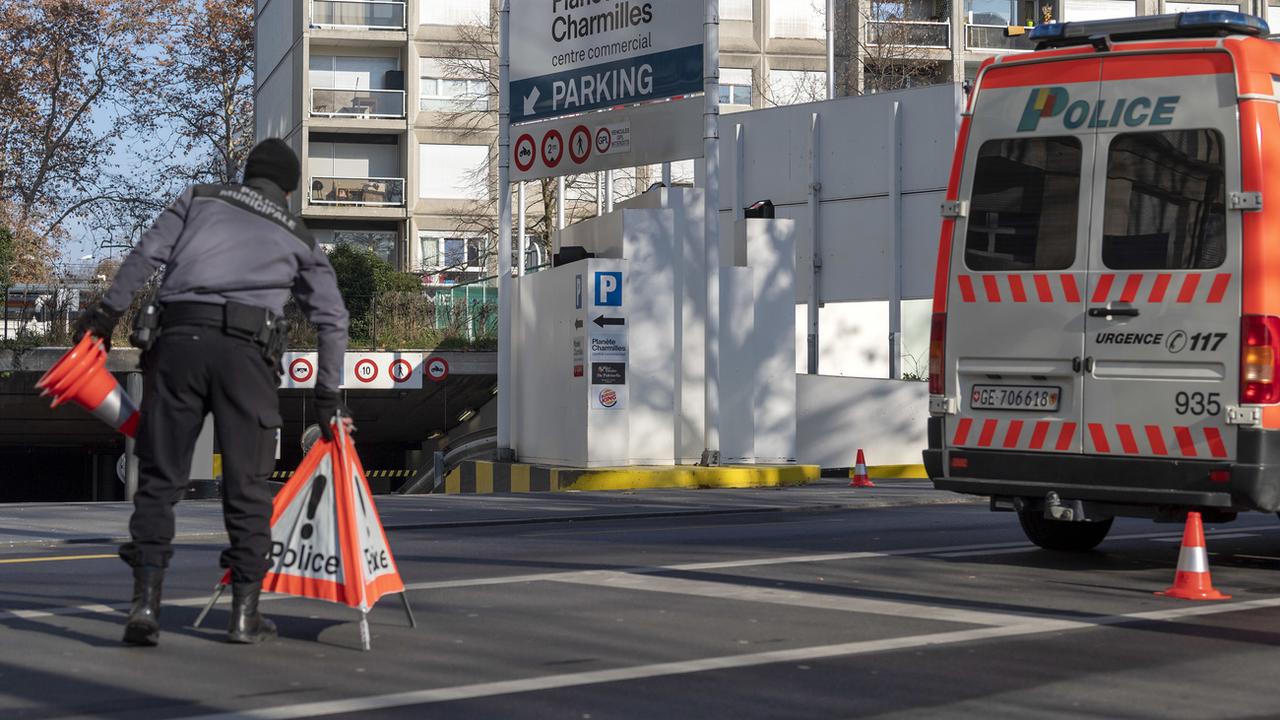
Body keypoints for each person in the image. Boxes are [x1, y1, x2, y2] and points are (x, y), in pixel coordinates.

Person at [73, 139, 351, 647]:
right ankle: (244, 615)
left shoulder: (199, 198)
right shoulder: (298, 234)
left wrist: (105, 316)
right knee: (247, 488)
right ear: (287, 191)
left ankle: (146, 606)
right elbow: (333, 318)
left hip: (178, 344)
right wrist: (328, 394)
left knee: (160, 477)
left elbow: (145, 255)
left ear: (246, 176)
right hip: (248, 359)